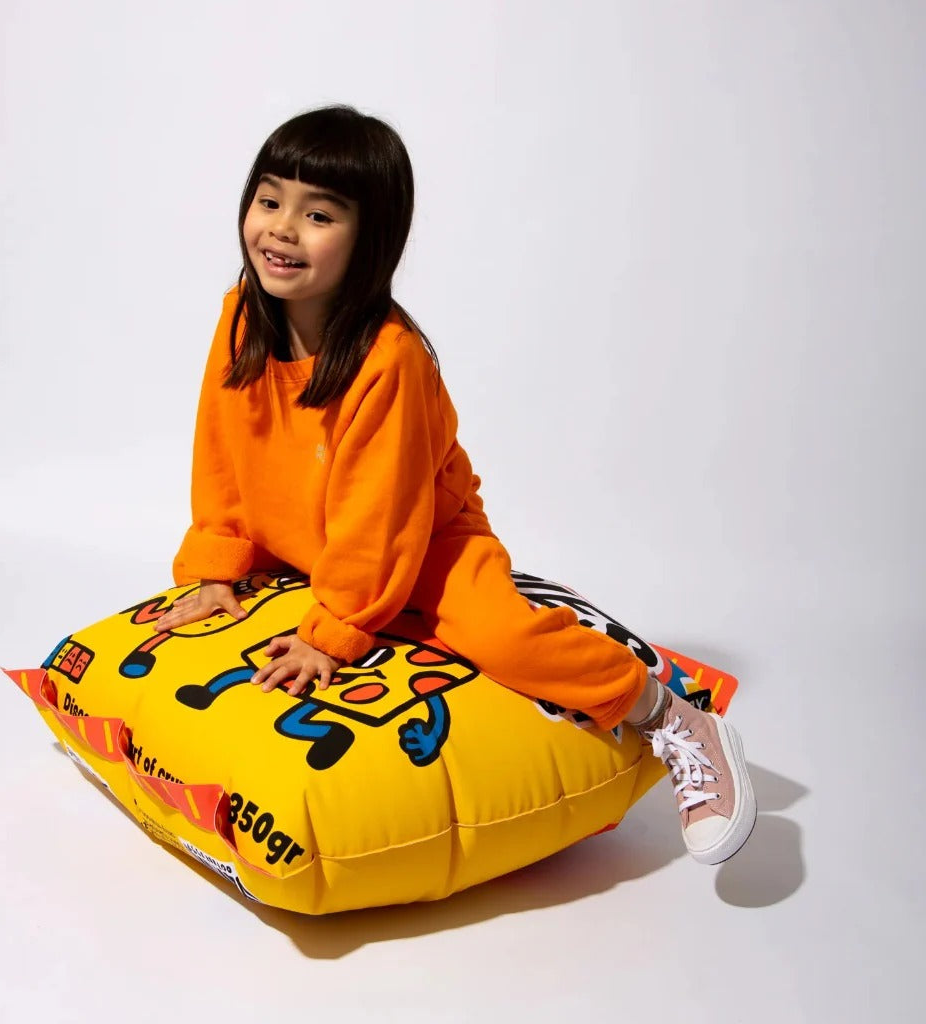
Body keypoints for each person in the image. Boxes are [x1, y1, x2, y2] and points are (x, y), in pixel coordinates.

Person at [151, 104, 756, 866]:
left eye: (318, 215)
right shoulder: (241, 315)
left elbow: (380, 517)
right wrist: (215, 561)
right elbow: (221, 449)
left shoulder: (390, 360)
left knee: (502, 637)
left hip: (422, 539)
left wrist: (334, 630)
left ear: (371, 239)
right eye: (269, 200)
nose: (282, 229)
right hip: (310, 540)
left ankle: (670, 716)